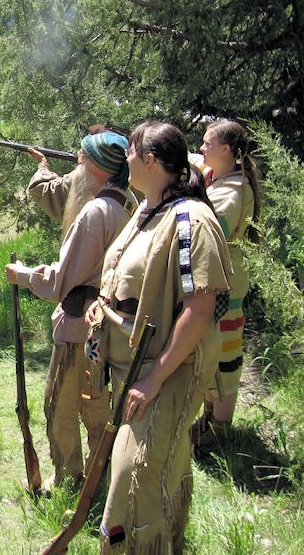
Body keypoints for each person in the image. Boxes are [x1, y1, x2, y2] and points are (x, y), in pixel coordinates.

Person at [87, 122, 232, 554]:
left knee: (135, 476)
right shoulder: (147, 208)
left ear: (150, 160)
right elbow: (124, 274)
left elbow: (200, 308)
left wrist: (153, 379)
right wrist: (104, 301)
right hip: (128, 364)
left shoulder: (191, 219)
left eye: (130, 152)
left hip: (163, 371)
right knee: (157, 470)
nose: (124, 161)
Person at [5, 131, 137, 492]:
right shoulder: (127, 202)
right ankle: (101, 478)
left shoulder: (95, 213)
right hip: (109, 327)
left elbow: (63, 280)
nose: (76, 162)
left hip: (82, 327)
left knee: (61, 406)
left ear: (94, 166)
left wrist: (24, 276)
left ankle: (69, 480)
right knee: (96, 406)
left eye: (81, 157)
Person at [192, 119, 261, 440]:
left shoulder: (231, 194)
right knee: (210, 352)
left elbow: (207, 234)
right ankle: (208, 416)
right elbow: (191, 158)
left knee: (225, 358)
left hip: (226, 287)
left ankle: (221, 428)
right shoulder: (218, 176)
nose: (202, 147)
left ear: (227, 150)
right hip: (218, 283)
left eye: (208, 142)